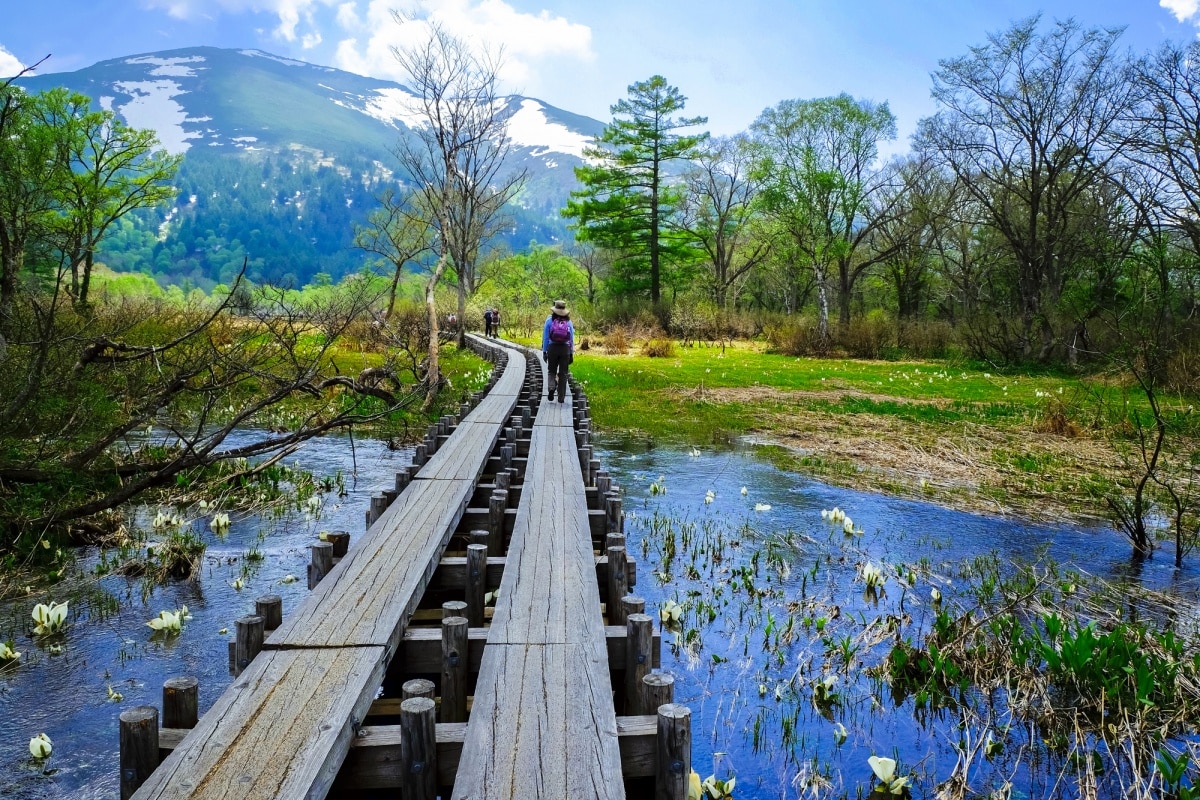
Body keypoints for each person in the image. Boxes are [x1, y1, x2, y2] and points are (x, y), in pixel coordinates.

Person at [541, 299, 575, 403]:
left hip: (552, 348)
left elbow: (546, 337)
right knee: (563, 373)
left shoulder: (549, 320)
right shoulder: (568, 322)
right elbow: (571, 339)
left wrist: (544, 351)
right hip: (564, 349)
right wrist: (571, 353)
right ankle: (561, 397)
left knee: (551, 371)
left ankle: (551, 388)